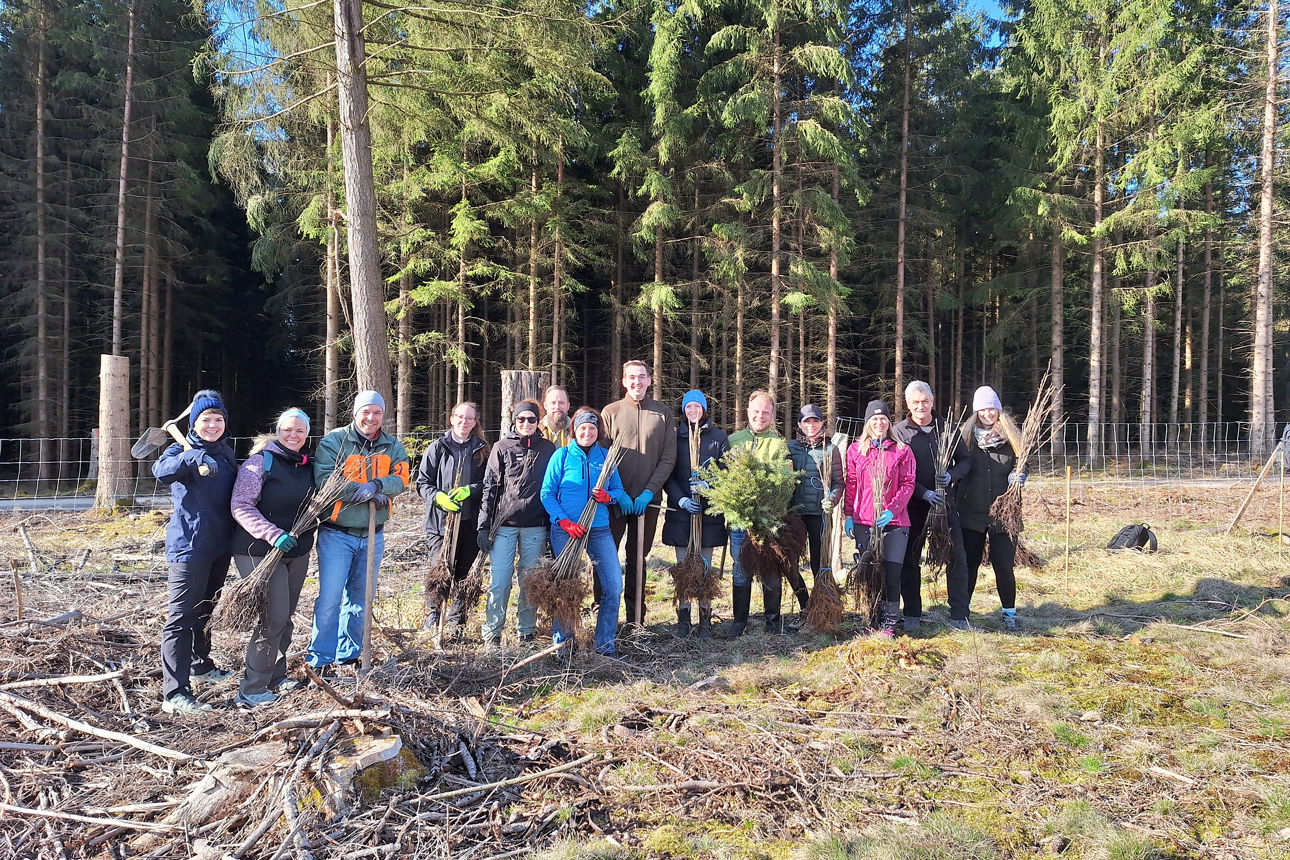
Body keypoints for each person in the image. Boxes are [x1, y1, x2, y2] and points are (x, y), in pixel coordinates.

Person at [307, 390, 411, 671]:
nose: (371, 418)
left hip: (374, 534)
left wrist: (378, 485)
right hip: (337, 534)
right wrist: (359, 491)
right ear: (355, 413)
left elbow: (402, 477)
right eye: (366, 411)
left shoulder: (391, 445)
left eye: (377, 412)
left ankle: (349, 655)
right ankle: (320, 660)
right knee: (330, 599)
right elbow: (325, 479)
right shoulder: (335, 441)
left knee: (361, 600)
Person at [153, 389, 238, 714]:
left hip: (220, 546)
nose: (212, 425)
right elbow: (160, 472)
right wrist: (191, 458)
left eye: (218, 419)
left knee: (205, 610)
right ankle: (174, 692)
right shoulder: (178, 450)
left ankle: (200, 666)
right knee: (181, 617)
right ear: (193, 423)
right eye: (206, 419)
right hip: (189, 547)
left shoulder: (225, 452)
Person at [229, 408, 315, 709]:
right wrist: (273, 534)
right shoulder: (259, 462)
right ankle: (252, 689)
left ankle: (276, 676)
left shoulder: (307, 465)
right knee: (273, 618)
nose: (293, 435)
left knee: (285, 617)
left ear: (307, 434)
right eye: (287, 429)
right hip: (258, 551)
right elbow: (241, 505)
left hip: (297, 551)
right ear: (278, 431)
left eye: (300, 430)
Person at [540, 408, 631, 656]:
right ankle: (564, 646)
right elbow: (547, 493)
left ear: (598, 431)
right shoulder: (561, 455)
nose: (587, 432)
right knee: (566, 586)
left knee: (613, 585)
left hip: (599, 529)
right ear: (575, 430)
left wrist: (608, 497)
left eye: (592, 428)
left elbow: (618, 491)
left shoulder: (606, 457)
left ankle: (605, 644)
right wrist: (564, 522)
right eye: (583, 428)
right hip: (566, 531)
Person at [600, 360, 677, 627]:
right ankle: (604, 617)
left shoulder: (663, 413)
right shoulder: (610, 412)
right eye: (631, 377)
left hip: (648, 502)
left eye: (642, 377)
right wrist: (618, 493)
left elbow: (668, 457)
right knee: (606, 557)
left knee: (637, 559)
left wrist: (649, 491)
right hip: (614, 501)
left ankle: (636, 621)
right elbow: (603, 457)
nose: (637, 382)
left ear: (649, 380)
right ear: (624, 381)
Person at [891, 381, 972, 633]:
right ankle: (912, 612)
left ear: (932, 402)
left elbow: (965, 461)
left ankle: (959, 614)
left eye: (925, 401)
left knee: (956, 557)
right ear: (907, 404)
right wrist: (922, 492)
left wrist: (951, 476)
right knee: (909, 559)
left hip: (945, 504)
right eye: (915, 402)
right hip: (913, 506)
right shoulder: (899, 432)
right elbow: (897, 472)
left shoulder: (947, 428)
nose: (921, 406)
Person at [477, 399, 556, 648]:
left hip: (536, 526)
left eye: (531, 419)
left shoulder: (548, 449)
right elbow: (490, 488)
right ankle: (493, 633)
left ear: (538, 422)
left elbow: (554, 487)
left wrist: (552, 527)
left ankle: (526, 632)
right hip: (504, 526)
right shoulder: (501, 448)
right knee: (500, 581)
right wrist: (483, 526)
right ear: (514, 421)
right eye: (521, 419)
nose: (526, 423)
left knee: (529, 581)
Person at [415, 401, 490, 633]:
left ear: (475, 422)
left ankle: (457, 621)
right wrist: (438, 497)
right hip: (441, 524)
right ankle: (434, 616)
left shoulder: (482, 449)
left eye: (469, 418)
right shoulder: (438, 448)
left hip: (470, 522)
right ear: (452, 419)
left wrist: (471, 490)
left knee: (464, 572)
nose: (464, 422)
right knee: (439, 569)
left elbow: (489, 483)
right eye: (460, 417)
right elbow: (422, 483)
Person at [956, 385, 1026, 632]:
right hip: (971, 512)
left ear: (998, 410)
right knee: (969, 563)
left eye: (992, 408)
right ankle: (963, 613)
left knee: (1004, 565)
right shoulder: (965, 439)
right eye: (983, 409)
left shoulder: (1012, 439)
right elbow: (956, 467)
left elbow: (1023, 463)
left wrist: (1019, 474)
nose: (988, 413)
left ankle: (1009, 613)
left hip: (1004, 515)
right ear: (976, 412)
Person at [844, 400, 916, 638]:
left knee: (892, 574)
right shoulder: (856, 450)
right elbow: (851, 484)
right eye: (874, 419)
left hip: (894, 523)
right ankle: (873, 619)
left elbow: (908, 484)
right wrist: (848, 515)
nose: (879, 423)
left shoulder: (901, 450)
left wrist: (892, 510)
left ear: (889, 422)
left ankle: (890, 623)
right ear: (867, 423)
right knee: (871, 573)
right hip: (864, 521)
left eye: (883, 418)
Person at [661, 390, 730, 640]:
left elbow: (727, 472)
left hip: (708, 516)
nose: (693, 411)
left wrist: (709, 487)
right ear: (683, 410)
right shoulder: (674, 437)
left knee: (705, 569)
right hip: (681, 515)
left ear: (704, 409)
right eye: (688, 407)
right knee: (684, 568)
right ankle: (683, 619)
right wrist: (681, 499)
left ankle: (705, 621)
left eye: (697, 407)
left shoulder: (718, 438)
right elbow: (666, 473)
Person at [726, 390, 792, 635]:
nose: (760, 416)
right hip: (739, 519)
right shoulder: (734, 441)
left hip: (769, 518)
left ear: (772, 415)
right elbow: (724, 477)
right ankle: (739, 621)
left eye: (765, 412)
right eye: (756, 411)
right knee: (741, 567)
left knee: (770, 567)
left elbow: (785, 480)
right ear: (747, 412)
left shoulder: (778, 444)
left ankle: (772, 622)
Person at [787, 405, 844, 618]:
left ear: (822, 423)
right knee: (789, 562)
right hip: (794, 514)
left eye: (815, 421)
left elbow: (839, 482)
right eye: (807, 422)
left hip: (819, 514)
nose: (811, 426)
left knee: (818, 562)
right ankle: (805, 602)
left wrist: (832, 499)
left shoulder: (831, 449)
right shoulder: (790, 447)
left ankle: (822, 603)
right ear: (799, 424)